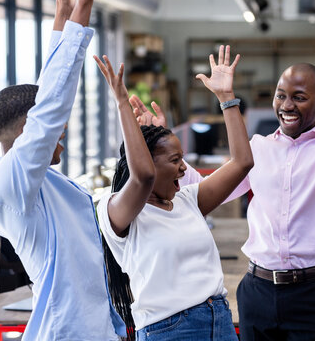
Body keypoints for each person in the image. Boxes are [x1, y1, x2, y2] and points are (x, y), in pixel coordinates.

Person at [134, 15, 315, 341]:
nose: (286, 105)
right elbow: (198, 188)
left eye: (299, 97)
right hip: (258, 291)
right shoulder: (257, 149)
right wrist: (159, 144)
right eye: (280, 95)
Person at [0, 0, 126, 340]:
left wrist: (64, 12)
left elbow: (45, 96)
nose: (62, 131)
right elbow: (50, 106)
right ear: (30, 131)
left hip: (96, 328)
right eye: (54, 128)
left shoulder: (35, 178)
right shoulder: (5, 186)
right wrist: (85, 4)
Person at [95, 45, 253, 341]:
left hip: (218, 321)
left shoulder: (187, 199)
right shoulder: (117, 211)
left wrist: (226, 99)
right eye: (174, 160)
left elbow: (243, 162)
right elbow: (142, 176)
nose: (184, 168)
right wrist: (122, 106)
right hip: (169, 331)